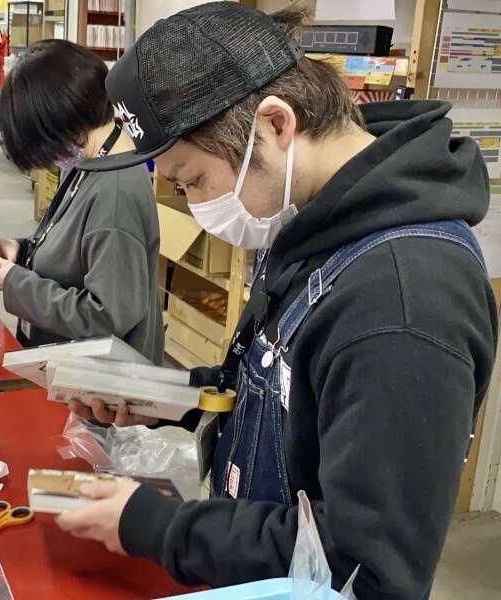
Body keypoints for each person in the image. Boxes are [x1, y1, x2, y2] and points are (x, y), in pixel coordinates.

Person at [55, 4, 498, 598]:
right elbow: (288, 388)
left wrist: (155, 526)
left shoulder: (402, 302)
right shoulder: (309, 216)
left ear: (276, 124)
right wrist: (168, 398)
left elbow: (363, 570)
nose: (194, 204)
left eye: (193, 181)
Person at [0, 39, 164, 366]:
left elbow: (106, 318)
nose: (48, 159)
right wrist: (21, 251)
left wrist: (16, 283)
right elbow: (75, 252)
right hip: (69, 368)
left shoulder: (115, 192)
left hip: (103, 391)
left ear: (60, 124)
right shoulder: (87, 162)